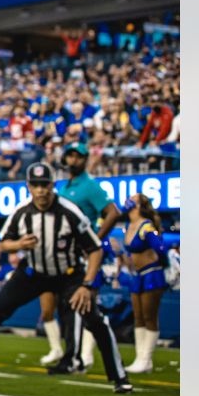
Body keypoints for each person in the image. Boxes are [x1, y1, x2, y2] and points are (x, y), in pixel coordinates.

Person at [0, 163, 132, 394]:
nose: (41, 191)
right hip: (33, 272)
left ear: (52, 186)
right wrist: (18, 245)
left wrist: (86, 284)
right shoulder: (22, 211)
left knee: (94, 319)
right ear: (28, 187)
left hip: (69, 274)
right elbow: (3, 242)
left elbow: (95, 249)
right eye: (36, 185)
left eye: (45, 185)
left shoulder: (69, 211)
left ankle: (119, 376)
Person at [48, 141, 122, 373]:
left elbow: (113, 212)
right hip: (66, 255)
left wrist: (94, 240)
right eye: (70, 156)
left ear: (85, 159)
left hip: (82, 255)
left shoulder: (90, 186)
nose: (73, 160)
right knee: (71, 308)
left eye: (78, 157)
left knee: (85, 307)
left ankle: (81, 357)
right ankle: (76, 355)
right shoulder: (65, 186)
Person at [119, 193, 167, 373]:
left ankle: (146, 358)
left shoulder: (146, 226)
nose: (128, 201)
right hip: (137, 275)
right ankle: (140, 359)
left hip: (151, 274)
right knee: (138, 317)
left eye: (132, 199)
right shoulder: (128, 225)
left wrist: (163, 264)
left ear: (138, 205)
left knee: (149, 317)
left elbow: (159, 247)